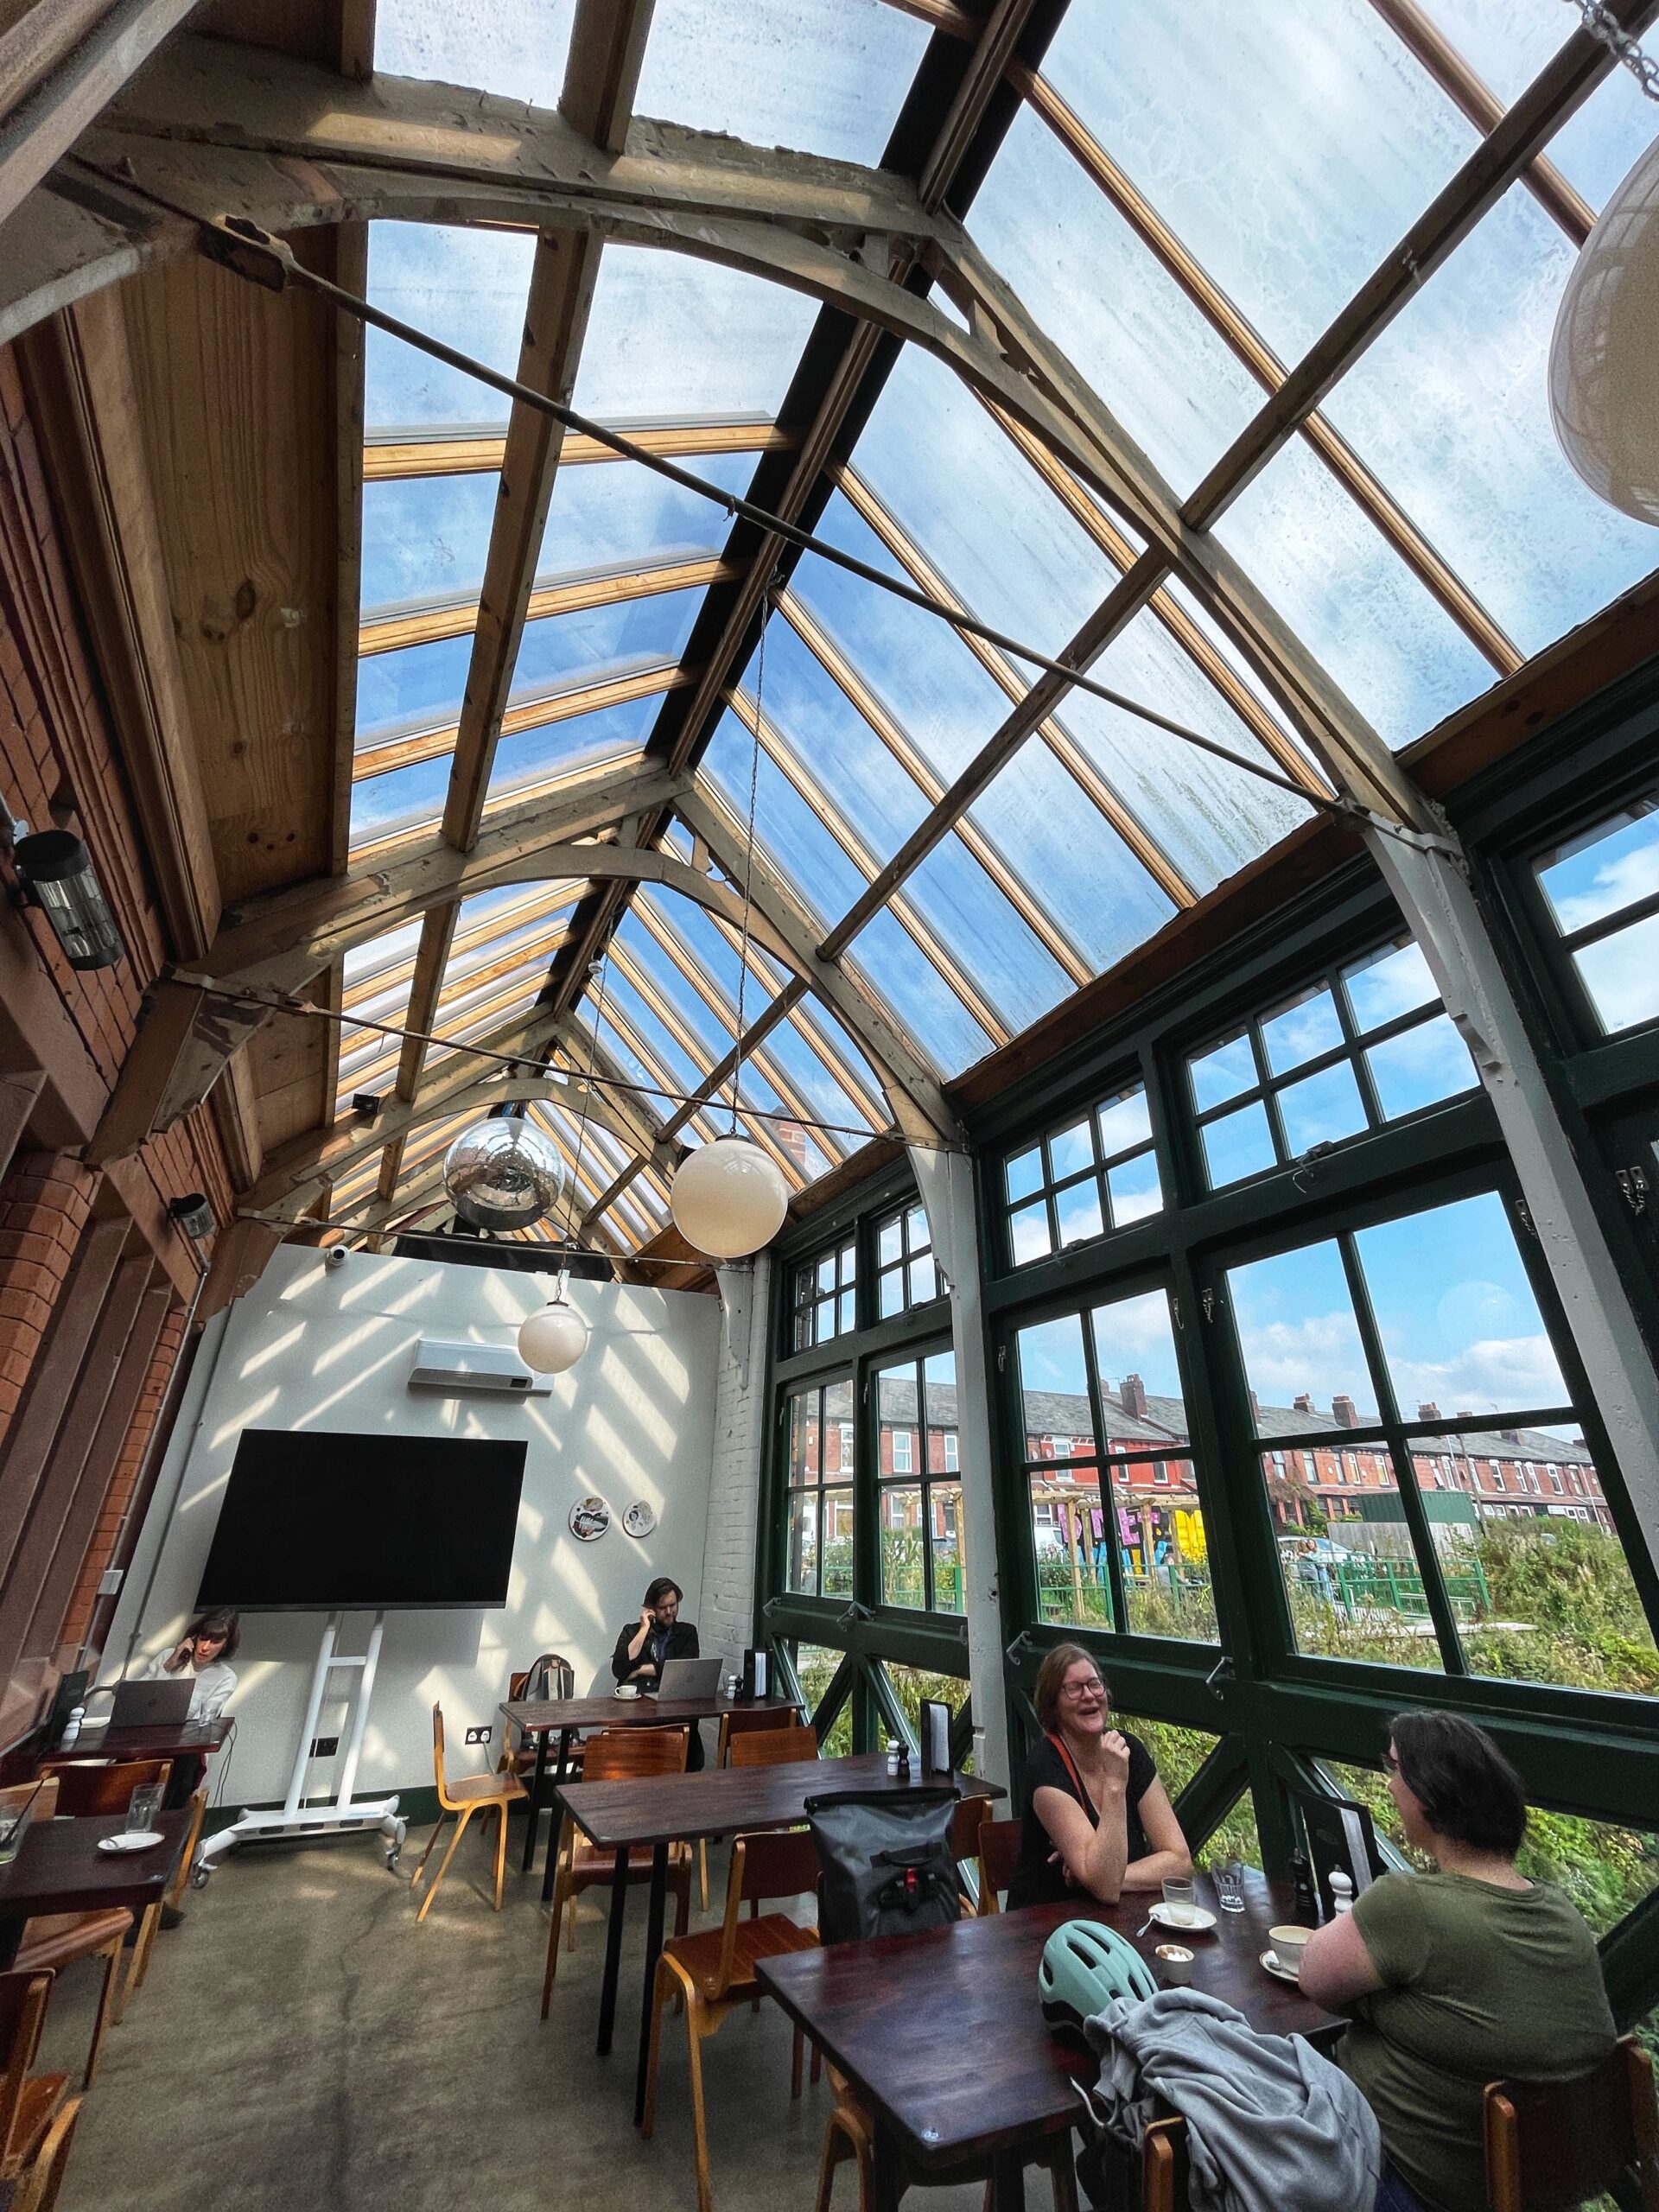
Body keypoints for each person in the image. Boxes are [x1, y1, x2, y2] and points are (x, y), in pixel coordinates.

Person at [1298, 1711, 1616, 2212]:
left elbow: (1314, 1977)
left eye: (1395, 1767)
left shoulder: (1409, 1905)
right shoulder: (1559, 1908)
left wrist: (1377, 2007)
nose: (1389, 1782)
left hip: (1415, 2186)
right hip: (1546, 2193)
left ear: (1429, 1792)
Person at [1006, 1643, 1191, 1910]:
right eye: (1073, 1688)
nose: (1089, 1695)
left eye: (1094, 1684)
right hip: (1046, 1927)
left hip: (1120, 1922)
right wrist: (1115, 1785)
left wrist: (1100, 1876)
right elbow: (1105, 1888)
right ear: (1052, 1705)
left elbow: (1180, 1861)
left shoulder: (1129, 1750)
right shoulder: (1045, 1766)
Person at [610, 1578, 704, 1770]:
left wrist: (641, 1669)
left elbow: (683, 1668)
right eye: (663, 1607)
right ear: (651, 1608)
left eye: (673, 1605)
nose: (670, 1612)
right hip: (638, 1712)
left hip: (673, 1710)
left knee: (687, 1729)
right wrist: (644, 1629)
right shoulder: (631, 1632)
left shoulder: (687, 1632)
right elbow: (619, 1669)